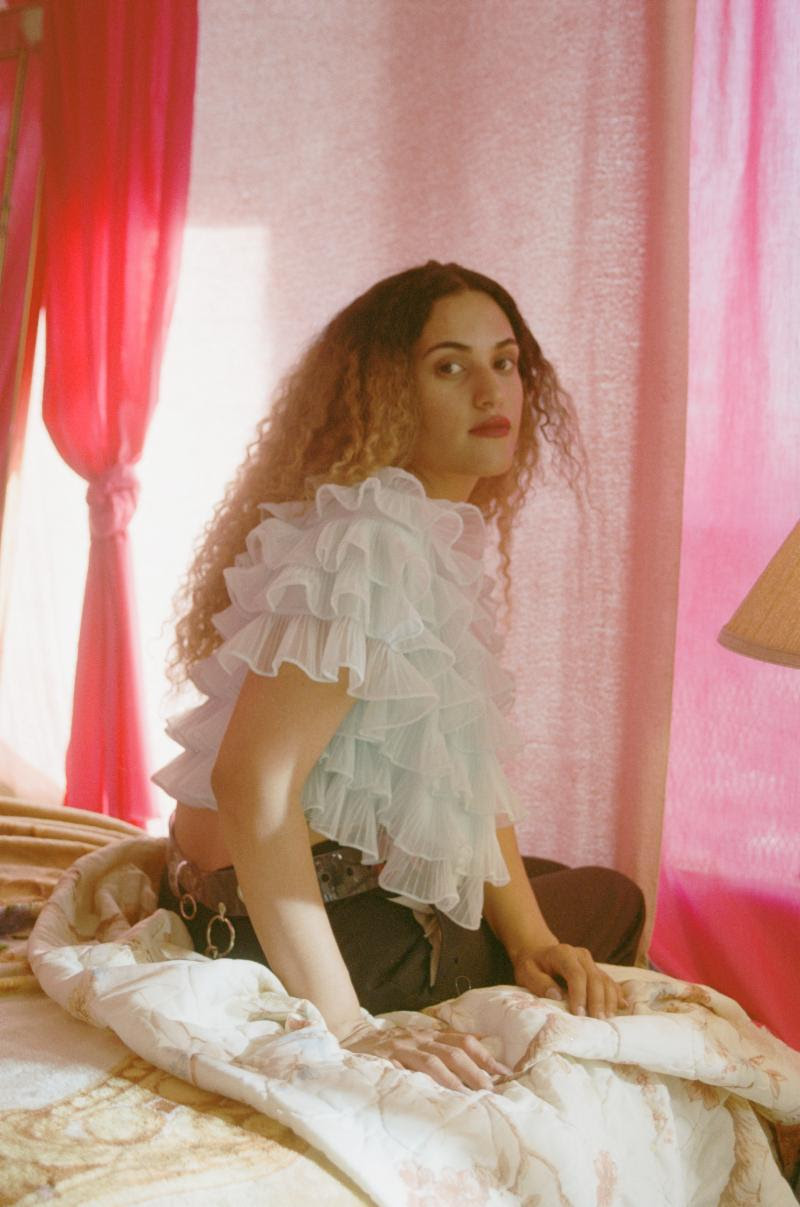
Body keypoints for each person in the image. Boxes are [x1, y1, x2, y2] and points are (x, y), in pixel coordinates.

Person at [153, 261, 644, 1094]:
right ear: (386, 393)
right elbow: (250, 783)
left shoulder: (389, 523)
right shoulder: (378, 537)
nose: (491, 390)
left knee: (548, 893)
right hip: (295, 927)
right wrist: (347, 1028)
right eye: (449, 366)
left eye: (505, 361)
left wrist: (531, 941)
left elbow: (460, 778)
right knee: (613, 898)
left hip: (227, 901)